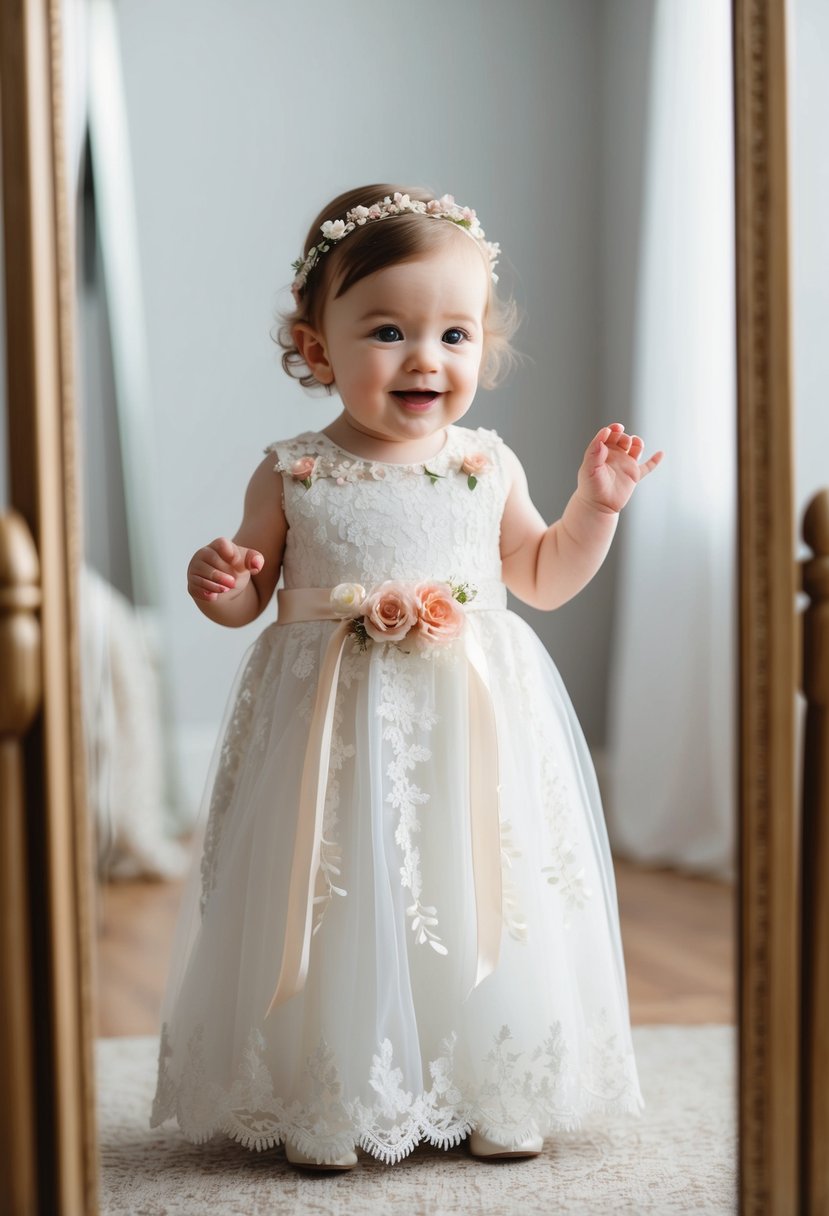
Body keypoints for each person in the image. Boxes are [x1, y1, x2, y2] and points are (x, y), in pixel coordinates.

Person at [150, 184, 662, 1171]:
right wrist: (220, 579)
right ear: (316, 347)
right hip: (329, 733)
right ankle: (332, 1092)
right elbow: (246, 598)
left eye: (455, 335)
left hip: (467, 723)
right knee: (340, 894)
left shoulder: (484, 466)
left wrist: (593, 509)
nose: (426, 358)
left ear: (482, 346)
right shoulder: (292, 472)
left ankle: (493, 1080)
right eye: (387, 330)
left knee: (474, 887)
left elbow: (541, 577)